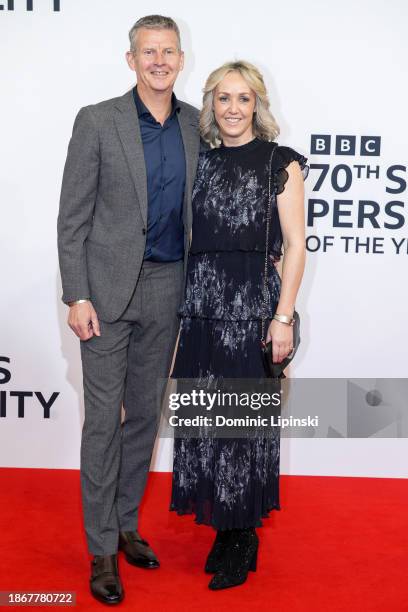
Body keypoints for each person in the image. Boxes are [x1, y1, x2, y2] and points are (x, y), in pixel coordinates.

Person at [57, 15, 200, 605]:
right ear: (131, 59)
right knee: (101, 423)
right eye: (149, 51)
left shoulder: (197, 123)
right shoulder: (97, 120)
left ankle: (124, 525)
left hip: (169, 289)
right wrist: (77, 294)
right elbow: (72, 217)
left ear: (181, 59)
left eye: (168, 51)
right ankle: (99, 550)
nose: (159, 60)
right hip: (106, 295)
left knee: (144, 416)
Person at [170, 60, 308, 590]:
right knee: (205, 425)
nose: (232, 108)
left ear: (258, 105)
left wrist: (283, 317)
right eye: (223, 98)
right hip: (202, 307)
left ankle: (243, 533)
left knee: (243, 429)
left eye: (243, 99)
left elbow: (295, 245)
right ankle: (223, 528)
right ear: (211, 105)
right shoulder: (197, 162)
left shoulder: (281, 163)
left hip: (253, 306)